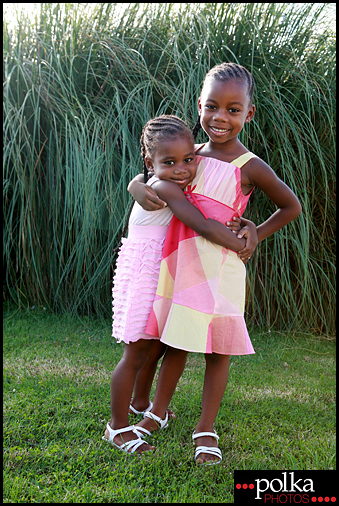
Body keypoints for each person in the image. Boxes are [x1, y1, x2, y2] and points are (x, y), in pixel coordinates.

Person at [130, 62, 302, 465]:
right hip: (182, 263)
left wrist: (257, 229)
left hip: (222, 268)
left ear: (248, 113)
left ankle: (205, 427)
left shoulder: (250, 165)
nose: (220, 118)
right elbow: (157, 173)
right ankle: (156, 411)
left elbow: (291, 206)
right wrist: (135, 184)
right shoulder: (190, 153)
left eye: (233, 109)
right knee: (177, 340)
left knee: (217, 351)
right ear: (200, 106)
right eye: (212, 107)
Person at [102, 114, 258, 455]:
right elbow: (201, 224)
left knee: (156, 345)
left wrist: (251, 225)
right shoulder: (168, 187)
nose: (183, 169)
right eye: (170, 162)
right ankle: (116, 428)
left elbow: (156, 179)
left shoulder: (168, 180)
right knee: (136, 352)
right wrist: (242, 244)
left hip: (164, 271)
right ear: (150, 162)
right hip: (146, 274)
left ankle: (143, 404)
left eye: (189, 160)